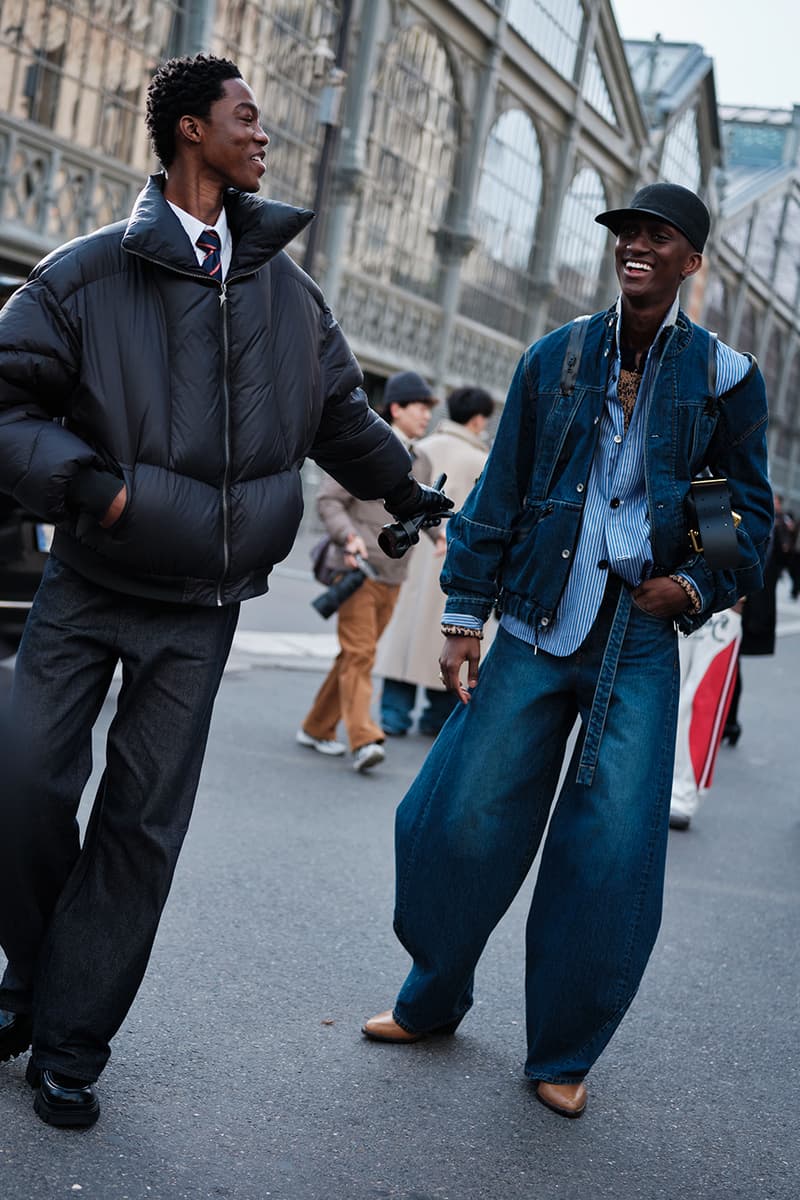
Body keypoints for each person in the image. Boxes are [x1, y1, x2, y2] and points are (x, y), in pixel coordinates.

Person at [0, 54, 449, 1128]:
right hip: (92, 579)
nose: (264, 135)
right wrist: (97, 495)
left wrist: (410, 491)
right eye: (246, 116)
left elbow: (338, 413)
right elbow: (7, 405)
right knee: (20, 785)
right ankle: (38, 974)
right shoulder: (84, 273)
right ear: (190, 131)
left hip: (202, 608)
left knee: (140, 826)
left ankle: (67, 1037)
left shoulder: (289, 294)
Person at [361, 183, 772, 1119]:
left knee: (611, 851)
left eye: (656, 237)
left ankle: (564, 1049)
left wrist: (698, 586)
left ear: (690, 261)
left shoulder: (725, 379)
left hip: (636, 636)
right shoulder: (557, 357)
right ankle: (433, 995)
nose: (635, 247)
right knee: (458, 816)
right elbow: (501, 494)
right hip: (541, 622)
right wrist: (465, 615)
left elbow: (746, 515)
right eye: (626, 233)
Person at [298, 371, 435, 771]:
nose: (426, 416)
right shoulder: (365, 446)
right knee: (360, 655)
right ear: (397, 408)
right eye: (420, 407)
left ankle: (316, 727)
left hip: (393, 577)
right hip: (357, 571)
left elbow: (417, 510)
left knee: (353, 656)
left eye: (429, 409)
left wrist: (439, 533)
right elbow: (328, 500)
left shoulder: (422, 460)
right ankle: (364, 740)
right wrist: (349, 537)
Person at [378, 386, 495, 737]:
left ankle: (393, 715)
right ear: (477, 420)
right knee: (444, 636)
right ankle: (435, 718)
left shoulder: (422, 448)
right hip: (454, 559)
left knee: (404, 638)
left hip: (411, 554)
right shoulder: (483, 462)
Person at [668, 604, 743, 830]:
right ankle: (657, 787)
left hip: (721, 596)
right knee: (666, 689)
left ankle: (683, 793)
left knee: (703, 698)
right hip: (672, 588)